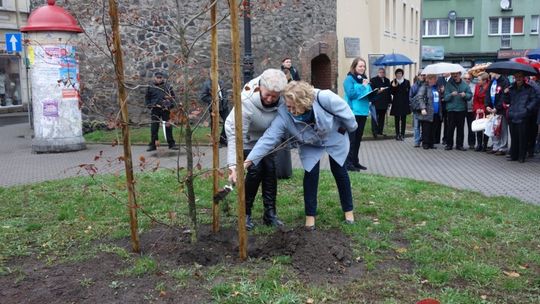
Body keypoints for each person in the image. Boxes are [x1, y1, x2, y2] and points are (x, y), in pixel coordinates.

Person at [242, 81, 358, 230]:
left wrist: (349, 129)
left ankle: (348, 212)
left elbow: (347, 115)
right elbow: (268, 138)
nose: (289, 109)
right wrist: (249, 161)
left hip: (334, 135)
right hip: (310, 142)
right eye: (287, 106)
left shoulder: (325, 98)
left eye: (292, 106)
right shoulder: (284, 113)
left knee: (340, 171)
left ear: (303, 102)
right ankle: (310, 217)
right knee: (310, 174)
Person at [225, 69, 287, 230]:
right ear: (260, 87)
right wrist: (234, 166)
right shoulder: (246, 101)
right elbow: (236, 137)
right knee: (254, 170)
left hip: (267, 137)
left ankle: (270, 214)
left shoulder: (284, 97)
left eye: (275, 96)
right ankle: (245, 214)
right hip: (245, 137)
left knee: (270, 170)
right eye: (267, 95)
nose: (270, 99)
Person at [343, 57, 371, 171]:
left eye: (364, 66)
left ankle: (355, 161)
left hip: (363, 112)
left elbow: (368, 94)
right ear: (354, 67)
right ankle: (348, 164)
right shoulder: (349, 79)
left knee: (358, 139)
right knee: (351, 139)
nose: (362, 68)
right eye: (360, 66)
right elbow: (351, 94)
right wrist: (363, 87)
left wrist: (376, 93)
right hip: (352, 112)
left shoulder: (364, 79)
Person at [504, 72, 538, 163]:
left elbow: (534, 99)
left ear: (523, 78)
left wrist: (527, 109)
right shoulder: (511, 88)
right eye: (516, 77)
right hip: (513, 114)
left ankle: (521, 156)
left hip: (523, 115)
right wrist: (505, 93)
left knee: (523, 137)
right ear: (514, 77)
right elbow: (507, 101)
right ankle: (514, 155)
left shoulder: (529, 88)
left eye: (520, 77)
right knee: (514, 137)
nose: (518, 78)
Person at [145, 71, 178, 151]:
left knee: (168, 126)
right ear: (154, 78)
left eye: (160, 78)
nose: (159, 79)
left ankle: (171, 144)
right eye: (157, 78)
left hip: (165, 109)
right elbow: (147, 98)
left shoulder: (167, 86)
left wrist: (170, 106)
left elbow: (172, 97)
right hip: (155, 109)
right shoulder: (150, 86)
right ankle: (153, 145)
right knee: (154, 127)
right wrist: (150, 105)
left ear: (163, 78)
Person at [444, 71, 472, 150]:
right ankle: (449, 144)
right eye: (453, 74)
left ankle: (459, 145)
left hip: (461, 109)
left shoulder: (465, 85)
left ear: (460, 74)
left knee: (460, 128)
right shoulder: (448, 85)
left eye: (456, 74)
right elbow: (445, 97)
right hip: (451, 109)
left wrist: (465, 95)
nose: (454, 75)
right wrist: (451, 94)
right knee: (450, 128)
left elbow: (470, 96)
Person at [484, 72, 510, 155]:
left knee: (502, 129)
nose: (490, 74)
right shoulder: (492, 81)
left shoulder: (504, 81)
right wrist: (487, 105)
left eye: (491, 73)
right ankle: (496, 146)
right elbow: (488, 93)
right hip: (492, 109)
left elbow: (503, 96)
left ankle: (503, 148)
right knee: (494, 129)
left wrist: (497, 107)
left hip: (501, 110)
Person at [414, 74, 441, 149]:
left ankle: (431, 143)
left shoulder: (436, 88)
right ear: (429, 79)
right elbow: (420, 97)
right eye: (434, 78)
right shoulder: (424, 87)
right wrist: (423, 108)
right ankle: (425, 143)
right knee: (426, 128)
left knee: (433, 128)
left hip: (436, 111)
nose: (435, 80)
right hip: (427, 111)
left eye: (436, 79)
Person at [199, 76, 229, 146]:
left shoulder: (221, 82)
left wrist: (225, 100)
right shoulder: (207, 84)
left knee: (228, 121)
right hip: (214, 107)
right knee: (214, 124)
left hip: (224, 106)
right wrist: (213, 100)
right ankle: (215, 142)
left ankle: (222, 139)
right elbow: (202, 96)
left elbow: (225, 92)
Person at [370, 67, 392, 138]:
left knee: (382, 118)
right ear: (378, 73)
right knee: (375, 118)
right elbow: (372, 91)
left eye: (383, 72)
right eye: (380, 72)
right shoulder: (373, 80)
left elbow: (389, 92)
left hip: (384, 102)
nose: (382, 74)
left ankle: (380, 131)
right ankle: (374, 132)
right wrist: (379, 90)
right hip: (376, 102)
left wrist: (389, 102)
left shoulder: (387, 80)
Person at [390, 68, 411, 141]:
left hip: (404, 103)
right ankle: (397, 134)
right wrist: (393, 87)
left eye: (400, 73)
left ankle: (402, 134)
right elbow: (392, 92)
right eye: (397, 73)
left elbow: (408, 92)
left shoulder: (406, 82)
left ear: (402, 74)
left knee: (403, 119)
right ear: (395, 74)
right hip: (396, 103)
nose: (399, 75)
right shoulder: (393, 82)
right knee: (396, 119)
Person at [472, 72, 490, 151]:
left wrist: (483, 108)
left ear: (485, 80)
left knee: (486, 128)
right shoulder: (477, 87)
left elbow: (488, 100)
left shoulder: (489, 87)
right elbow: (475, 99)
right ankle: (479, 144)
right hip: (478, 110)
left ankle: (485, 144)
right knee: (478, 127)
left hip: (486, 109)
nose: (477, 81)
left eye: (479, 80)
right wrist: (477, 109)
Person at [409, 71, 426, 147]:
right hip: (416, 109)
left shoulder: (427, 85)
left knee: (424, 126)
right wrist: (413, 106)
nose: (422, 76)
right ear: (418, 76)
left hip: (425, 109)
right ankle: (416, 141)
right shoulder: (414, 86)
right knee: (416, 126)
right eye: (421, 75)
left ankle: (423, 140)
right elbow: (410, 97)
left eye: (424, 75)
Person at [463, 73, 477, 149]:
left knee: (471, 127)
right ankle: (460, 143)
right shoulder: (460, 86)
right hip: (462, 108)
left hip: (471, 109)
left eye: (469, 79)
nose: (467, 80)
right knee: (460, 127)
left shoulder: (474, 86)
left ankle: (471, 143)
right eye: (465, 78)